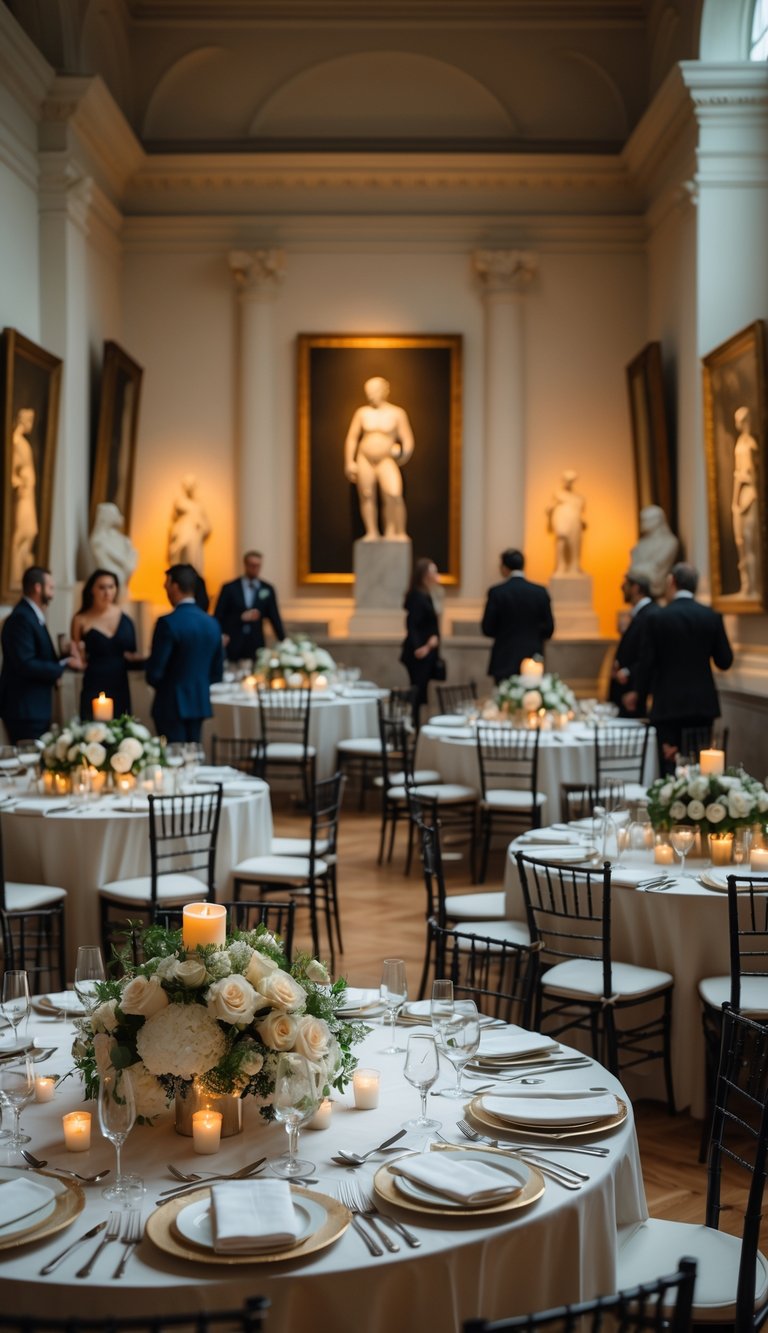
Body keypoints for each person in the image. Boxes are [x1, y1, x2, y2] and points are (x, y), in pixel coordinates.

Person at [635, 562, 734, 773]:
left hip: (667, 707)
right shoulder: (711, 617)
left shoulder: (657, 618)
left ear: (672, 582)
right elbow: (724, 661)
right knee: (701, 770)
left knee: (670, 770)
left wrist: (640, 698)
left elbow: (646, 664)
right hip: (702, 706)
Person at [0, 566, 82, 742]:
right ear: (38, 588)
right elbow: (25, 664)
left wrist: (64, 655)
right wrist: (64, 664)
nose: (52, 594)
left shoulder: (31, 615)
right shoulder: (21, 618)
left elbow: (38, 656)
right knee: (28, 760)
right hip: (24, 708)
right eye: (50, 588)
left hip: (34, 707)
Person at [146, 564, 224, 742]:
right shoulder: (212, 623)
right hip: (199, 701)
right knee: (193, 757)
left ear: (174, 586)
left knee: (174, 759)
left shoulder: (168, 623)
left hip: (170, 703)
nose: (165, 589)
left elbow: (155, 673)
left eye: (166, 584)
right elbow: (217, 671)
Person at [344, 376, 414, 540]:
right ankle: (372, 531)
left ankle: (395, 532)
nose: (371, 395)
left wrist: (403, 454)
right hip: (365, 458)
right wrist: (349, 461)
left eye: (374, 391)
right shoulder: (362, 413)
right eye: (368, 391)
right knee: (367, 494)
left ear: (384, 391)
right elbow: (352, 438)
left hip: (386, 458)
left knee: (394, 493)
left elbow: (408, 439)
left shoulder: (397, 413)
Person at [70, 569, 140, 720]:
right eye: (102, 587)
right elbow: (77, 654)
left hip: (119, 680)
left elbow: (133, 653)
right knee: (92, 730)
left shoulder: (125, 618)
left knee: (122, 727)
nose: (107, 592)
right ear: (91, 590)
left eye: (111, 587)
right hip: (94, 680)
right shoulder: (80, 619)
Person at [481, 549, 555, 683]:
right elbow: (549, 628)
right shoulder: (539, 592)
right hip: (533, 659)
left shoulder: (497, 592)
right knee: (532, 701)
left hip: (504, 658)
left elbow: (487, 628)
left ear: (504, 567)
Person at [214, 550, 285, 663]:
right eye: (252, 565)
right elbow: (219, 615)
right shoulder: (229, 588)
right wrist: (240, 617)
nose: (255, 568)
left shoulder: (267, 588)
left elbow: (274, 616)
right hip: (234, 641)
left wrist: (284, 641)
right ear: (245, 565)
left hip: (255, 642)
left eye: (258, 566)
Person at [608, 568, 657, 717]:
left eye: (626, 584)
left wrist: (628, 672)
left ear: (636, 588)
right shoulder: (641, 614)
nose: (622, 588)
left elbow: (649, 654)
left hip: (634, 696)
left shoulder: (650, 615)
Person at [400, 558, 441, 726]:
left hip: (427, 650)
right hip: (420, 652)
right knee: (417, 691)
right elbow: (412, 624)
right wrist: (421, 647)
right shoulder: (417, 596)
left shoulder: (427, 593)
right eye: (434, 571)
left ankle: (417, 727)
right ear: (425, 574)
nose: (436, 575)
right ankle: (414, 727)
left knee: (421, 692)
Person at [731, 406, 760, 600]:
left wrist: (741, 478)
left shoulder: (749, 444)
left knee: (749, 541)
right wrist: (734, 501)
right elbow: (738, 476)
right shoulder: (741, 442)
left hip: (749, 493)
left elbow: (751, 476)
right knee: (740, 541)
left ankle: (753, 587)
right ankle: (746, 586)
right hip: (741, 495)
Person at [10, 407, 38, 590]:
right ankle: (15, 574)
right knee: (22, 533)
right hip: (23, 494)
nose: (32, 424)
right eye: (30, 420)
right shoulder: (17, 442)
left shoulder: (22, 443)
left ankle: (19, 575)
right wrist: (20, 482)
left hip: (29, 494)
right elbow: (12, 473)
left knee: (31, 531)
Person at [88, 502, 138, 593]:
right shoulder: (98, 539)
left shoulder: (120, 539)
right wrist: (124, 562)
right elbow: (109, 553)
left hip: (120, 575)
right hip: (113, 571)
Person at [630, 505, 679, 598]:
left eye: (646, 519)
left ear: (657, 521)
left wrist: (637, 569)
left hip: (657, 590)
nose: (642, 523)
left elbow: (656, 567)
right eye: (642, 520)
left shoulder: (669, 542)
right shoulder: (641, 544)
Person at [167, 474, 211, 572]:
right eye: (188, 485)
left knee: (192, 560)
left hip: (194, 536)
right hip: (182, 533)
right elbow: (174, 518)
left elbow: (207, 525)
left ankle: (191, 580)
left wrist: (201, 528)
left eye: (192, 485)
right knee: (180, 559)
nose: (190, 487)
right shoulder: (180, 501)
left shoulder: (199, 505)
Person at [546, 470, 586, 575]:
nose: (568, 483)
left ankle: (574, 565)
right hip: (563, 521)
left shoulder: (578, 497)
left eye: (571, 481)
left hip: (574, 522)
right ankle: (561, 565)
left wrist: (582, 521)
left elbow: (579, 510)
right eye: (567, 480)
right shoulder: (558, 494)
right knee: (561, 540)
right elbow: (550, 508)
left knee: (575, 544)